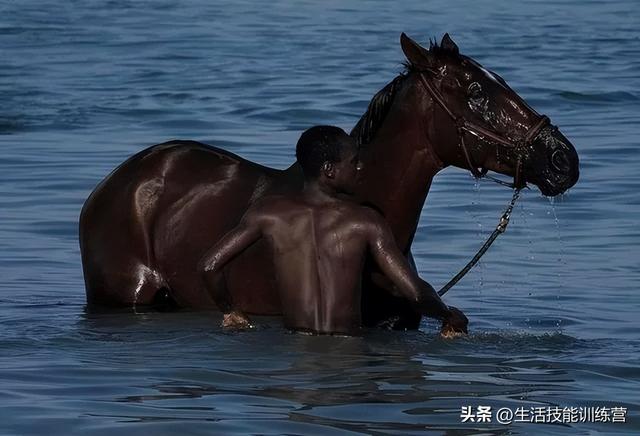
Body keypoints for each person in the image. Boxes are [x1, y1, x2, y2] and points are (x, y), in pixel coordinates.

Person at [200, 125, 468, 336]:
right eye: (353, 162)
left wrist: (230, 311)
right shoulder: (365, 221)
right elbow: (416, 293)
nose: (361, 167)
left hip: (296, 350)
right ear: (329, 170)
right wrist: (448, 316)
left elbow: (209, 267)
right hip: (347, 351)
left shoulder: (267, 213)